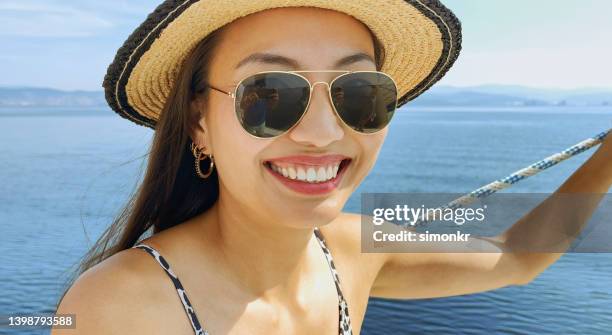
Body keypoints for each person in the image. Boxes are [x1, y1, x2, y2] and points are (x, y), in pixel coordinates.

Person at [53, 1, 612, 334]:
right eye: (268, 95)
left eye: (360, 92)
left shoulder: (352, 245)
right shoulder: (117, 305)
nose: (323, 134)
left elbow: (514, 256)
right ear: (199, 124)